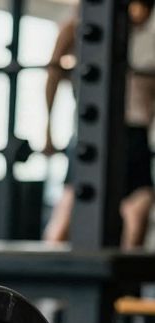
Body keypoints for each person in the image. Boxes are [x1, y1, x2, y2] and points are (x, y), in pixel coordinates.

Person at [43, 1, 155, 248]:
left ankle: (125, 286)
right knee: (65, 218)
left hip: (136, 134)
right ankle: (44, 281)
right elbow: (52, 75)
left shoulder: (147, 42)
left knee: (138, 212)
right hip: (91, 133)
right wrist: (47, 129)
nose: (141, 15)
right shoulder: (76, 28)